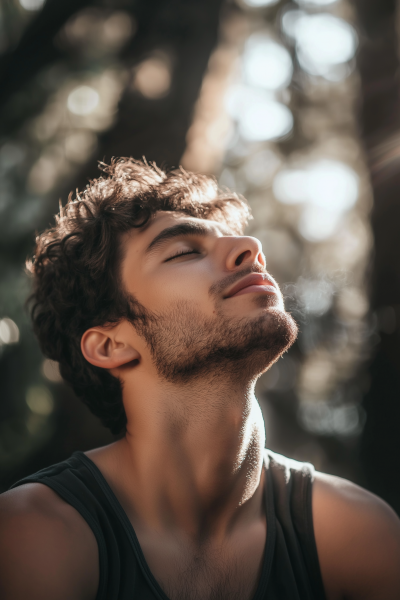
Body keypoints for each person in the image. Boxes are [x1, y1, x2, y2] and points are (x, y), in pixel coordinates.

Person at [0, 158, 399, 600]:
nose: (251, 247)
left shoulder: (356, 533)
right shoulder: (35, 534)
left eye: (237, 239)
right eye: (185, 252)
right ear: (111, 345)